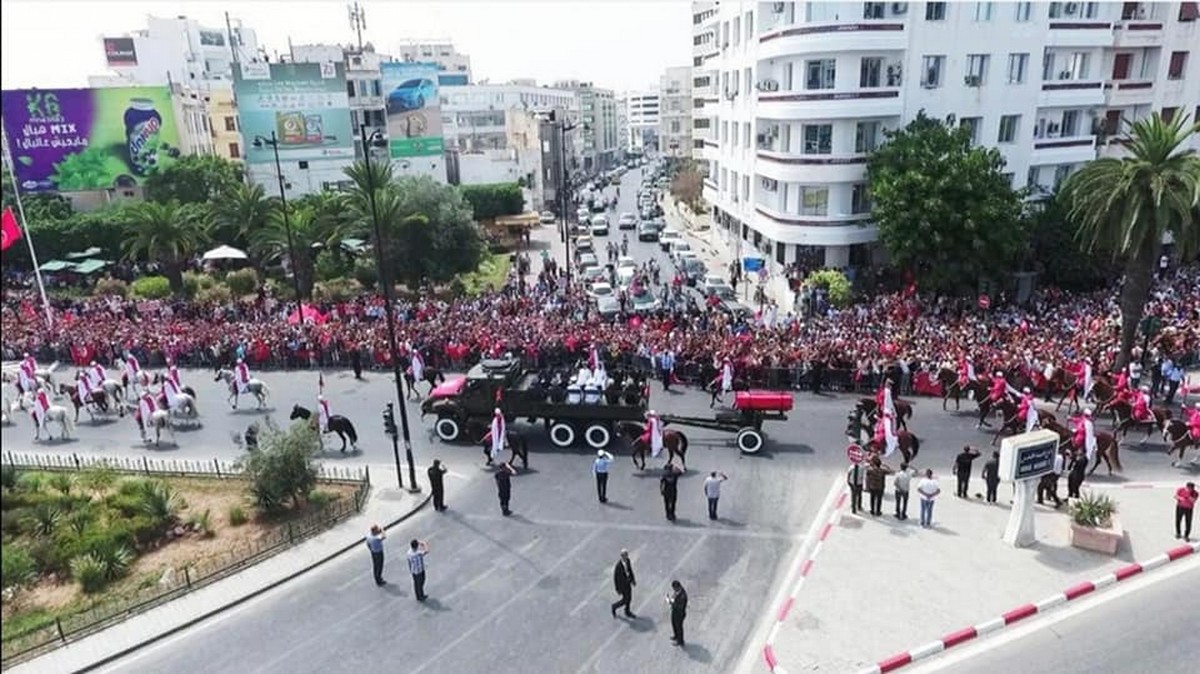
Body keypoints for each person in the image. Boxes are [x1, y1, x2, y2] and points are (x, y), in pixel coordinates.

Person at [610, 549, 637, 619]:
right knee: (625, 600)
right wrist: (617, 589)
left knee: (629, 598)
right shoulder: (618, 566)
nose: (626, 557)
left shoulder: (628, 561)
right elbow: (615, 578)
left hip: (628, 583)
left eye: (626, 555)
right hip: (622, 585)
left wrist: (633, 580)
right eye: (624, 556)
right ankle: (614, 606)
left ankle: (627, 611)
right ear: (621, 556)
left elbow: (630, 570)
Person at [666, 580, 688, 646]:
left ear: (678, 587)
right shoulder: (677, 592)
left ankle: (680, 641)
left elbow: (680, 607)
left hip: (679, 614)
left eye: (674, 588)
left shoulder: (683, 595)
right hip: (674, 612)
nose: (674, 590)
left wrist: (671, 603)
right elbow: (674, 597)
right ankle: (676, 636)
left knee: (679, 627)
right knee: (674, 624)